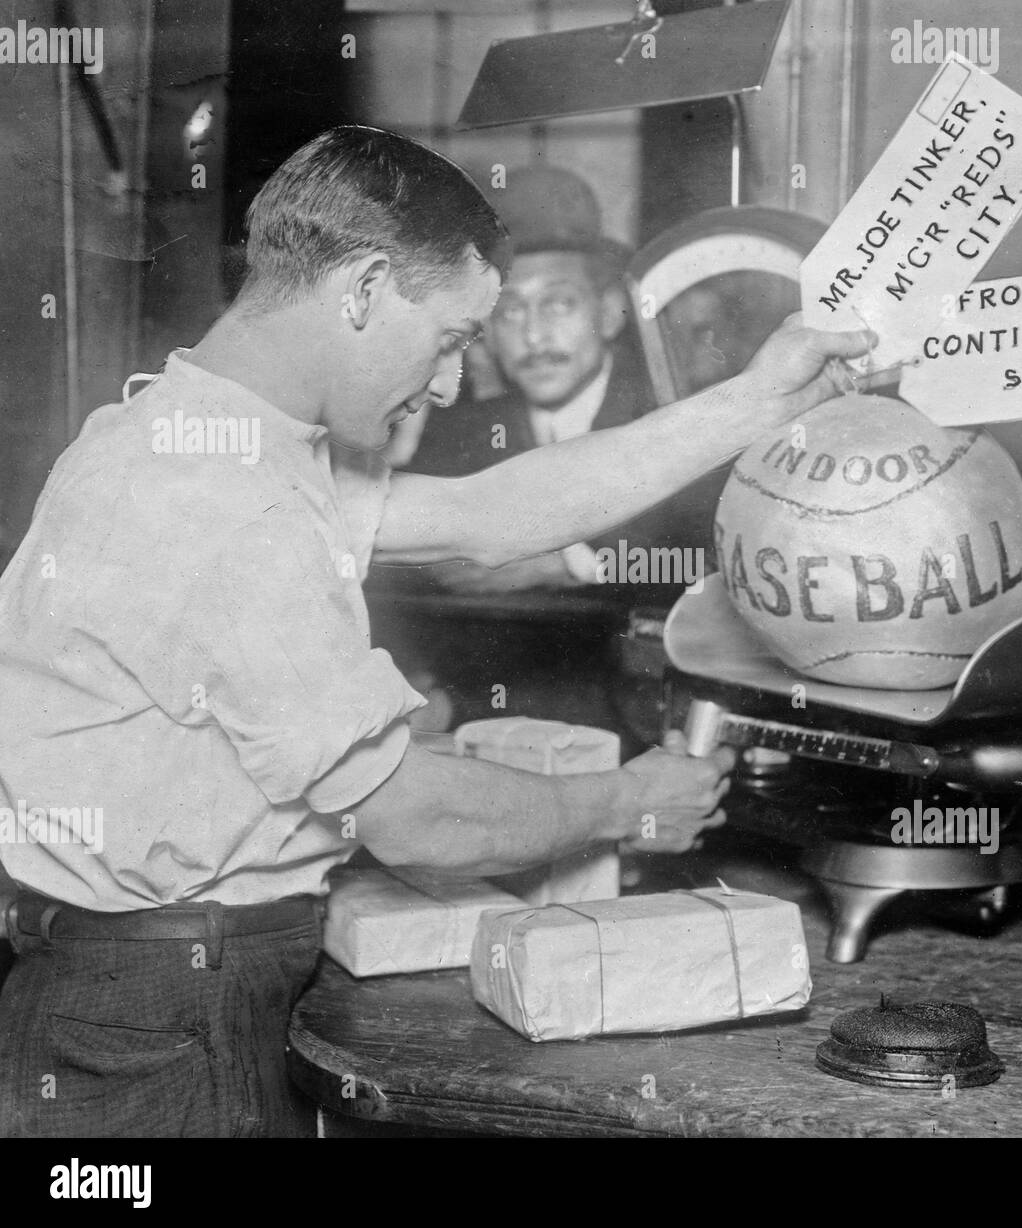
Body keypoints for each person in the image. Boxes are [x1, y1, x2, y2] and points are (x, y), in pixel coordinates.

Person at [0, 126, 875, 1138]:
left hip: (145, 989)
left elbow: (493, 510)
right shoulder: (225, 504)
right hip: (163, 1019)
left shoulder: (203, 431)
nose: (458, 382)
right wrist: (624, 802)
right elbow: (413, 817)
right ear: (366, 289)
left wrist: (758, 399)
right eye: (453, 336)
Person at [405, 165, 724, 603]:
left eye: (557, 303)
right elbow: (404, 541)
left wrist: (573, 565)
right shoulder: (464, 426)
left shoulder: (669, 415)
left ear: (609, 313)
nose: (534, 337)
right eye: (510, 311)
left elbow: (703, 562)